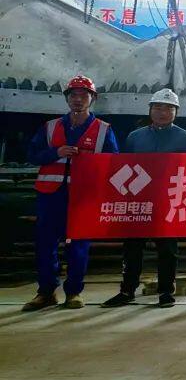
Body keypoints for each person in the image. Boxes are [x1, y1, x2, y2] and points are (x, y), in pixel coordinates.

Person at [23, 76, 119, 312]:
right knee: (45, 244)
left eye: (84, 95)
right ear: (67, 99)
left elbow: (113, 163)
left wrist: (88, 160)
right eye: (73, 95)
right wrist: (56, 153)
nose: (78, 99)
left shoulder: (103, 130)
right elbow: (32, 155)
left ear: (92, 99)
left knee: (78, 244)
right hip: (50, 195)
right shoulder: (50, 127)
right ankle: (46, 292)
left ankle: (74, 292)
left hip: (84, 196)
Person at [103, 89, 186, 308]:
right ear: (150, 110)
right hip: (138, 202)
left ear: (176, 112)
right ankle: (127, 290)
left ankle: (166, 291)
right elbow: (123, 169)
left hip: (168, 203)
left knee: (167, 249)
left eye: (168, 108)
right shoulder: (135, 137)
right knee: (132, 248)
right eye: (157, 107)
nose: (162, 112)